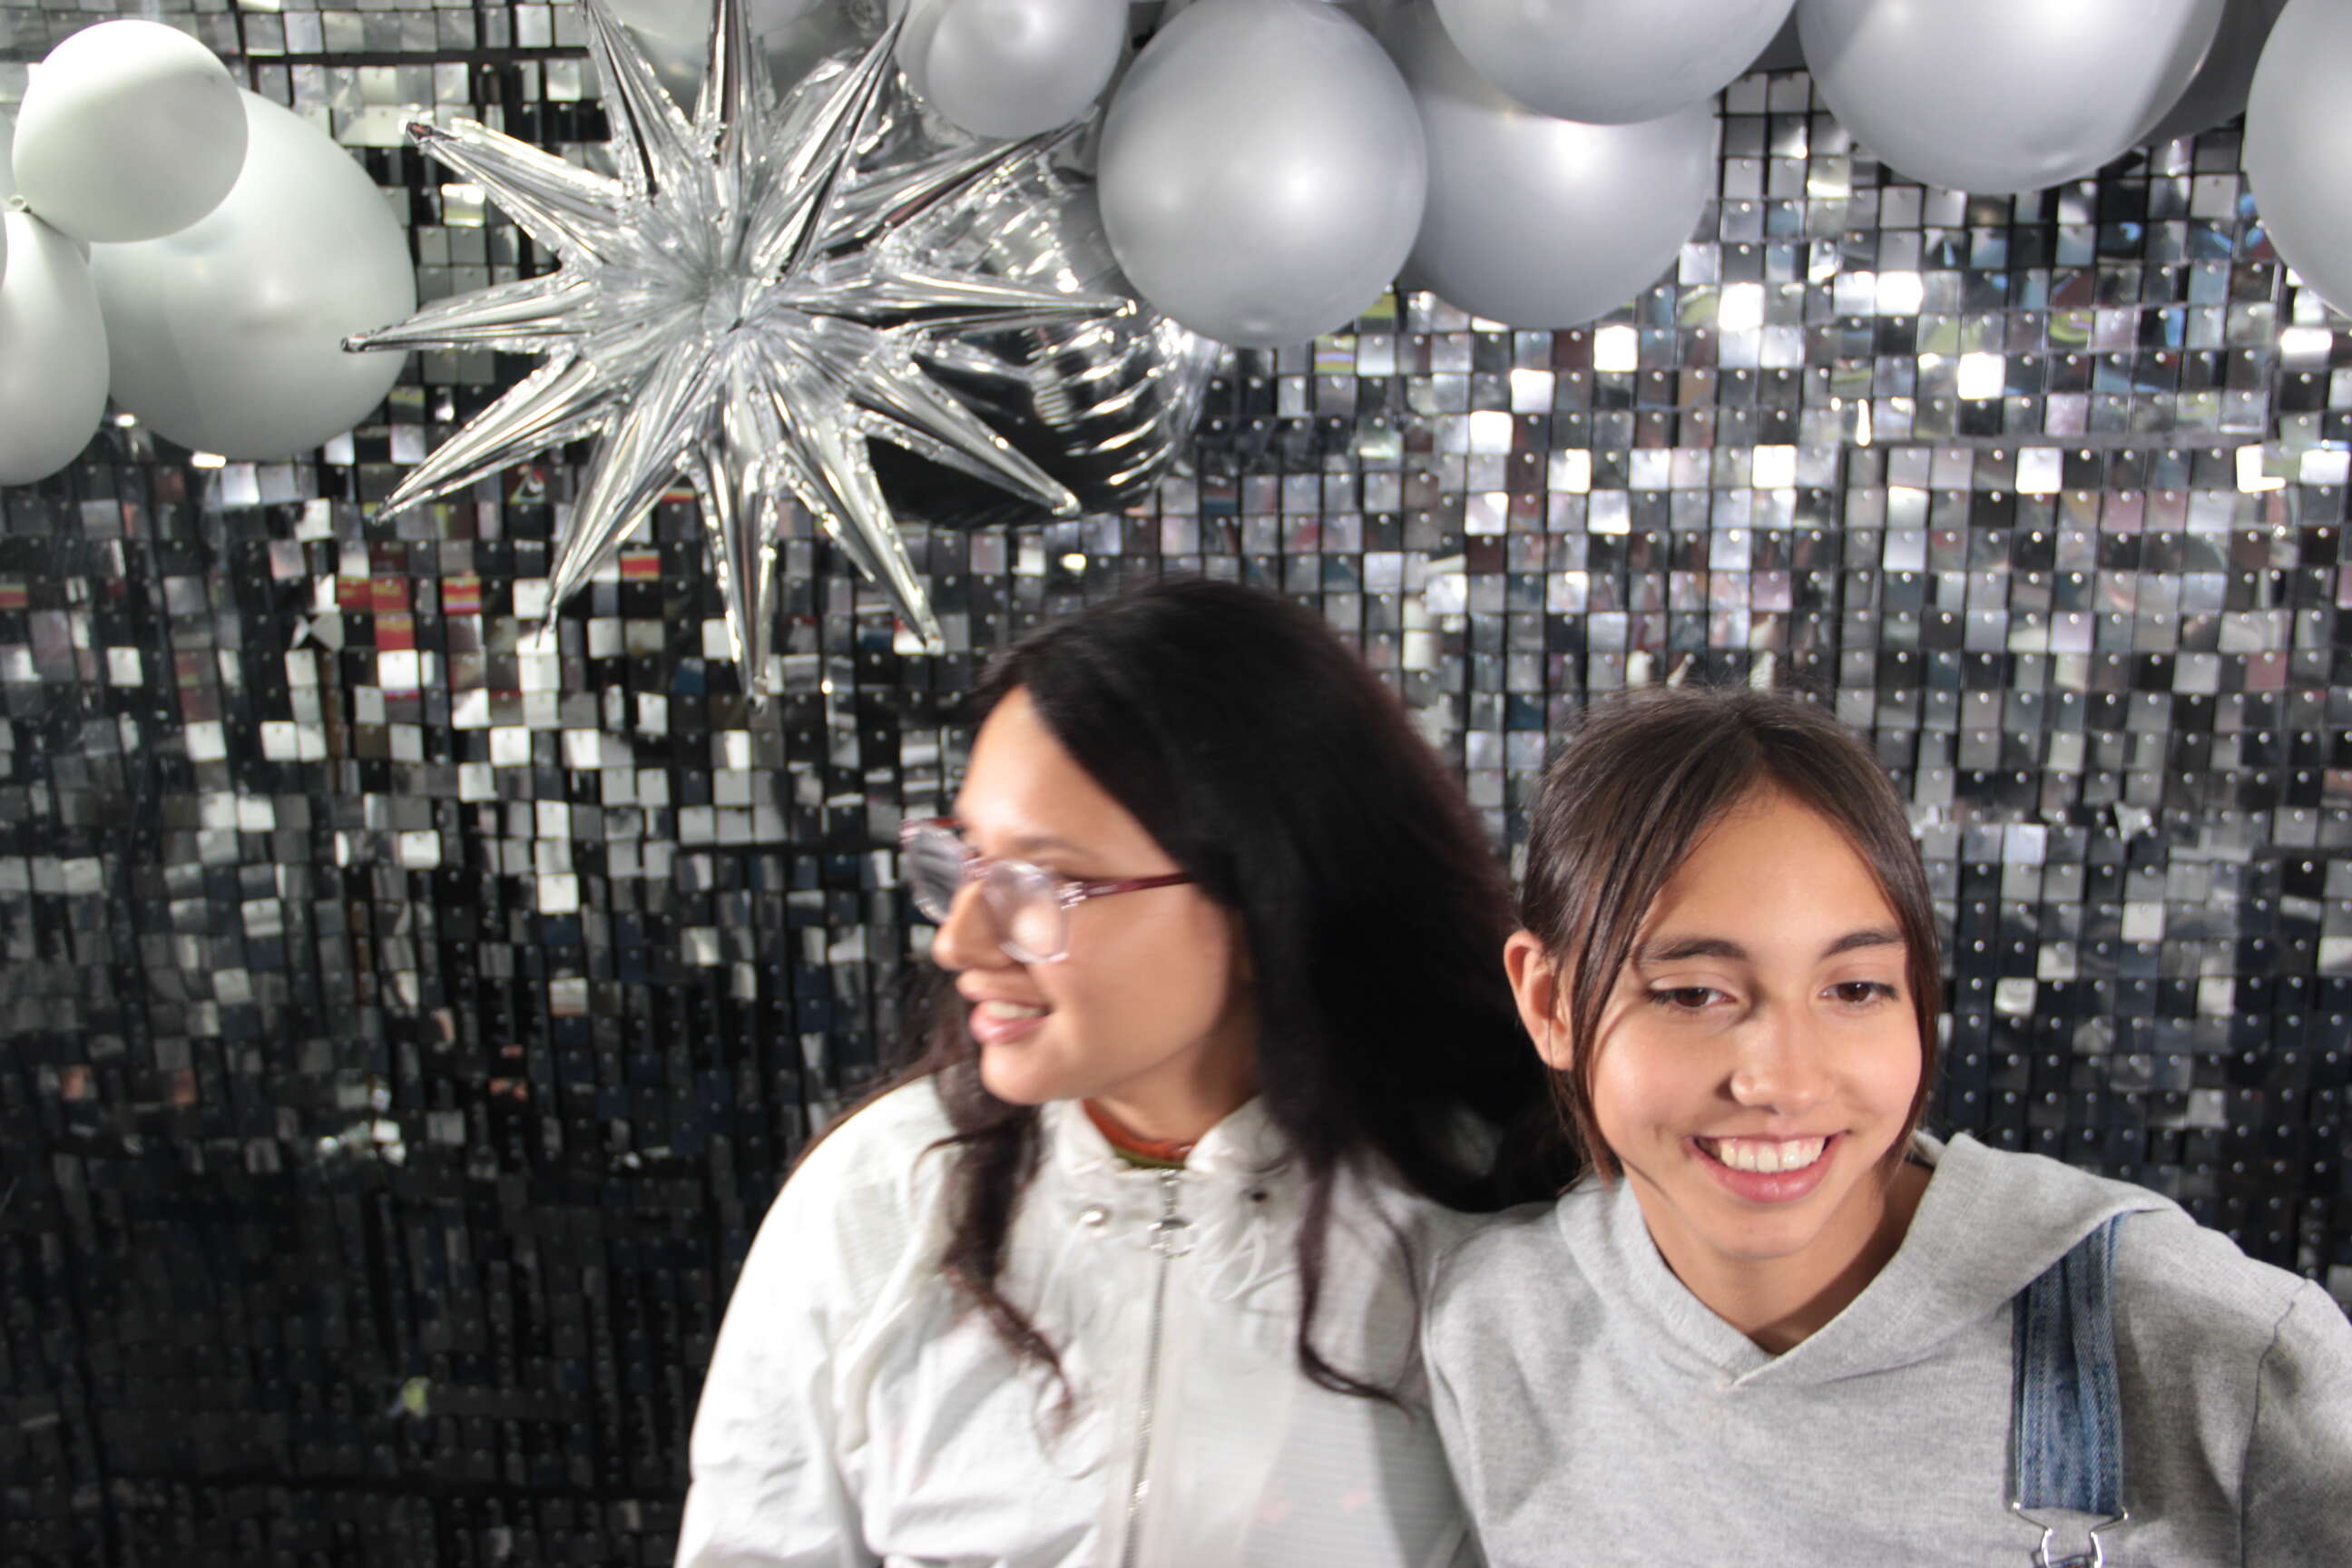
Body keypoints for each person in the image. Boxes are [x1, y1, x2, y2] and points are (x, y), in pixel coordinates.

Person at [678, 576, 1560, 1568]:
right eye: (965, 862)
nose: (958, 940)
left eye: (1043, 881)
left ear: (1264, 897)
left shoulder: (1491, 1221)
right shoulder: (877, 1195)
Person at [1426, 685, 2352, 1566]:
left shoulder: (2222, 1353)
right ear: (1548, 1002)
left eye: (1856, 989)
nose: (1782, 1081)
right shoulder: (1483, 1327)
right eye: (1694, 993)